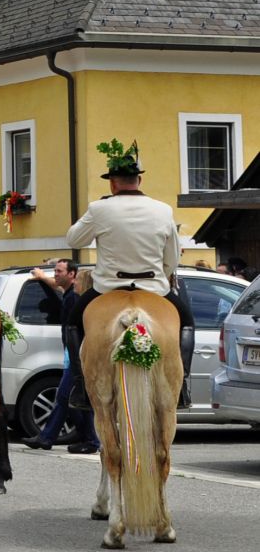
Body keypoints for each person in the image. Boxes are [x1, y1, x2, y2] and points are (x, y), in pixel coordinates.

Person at [65, 139, 192, 409]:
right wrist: (161, 275)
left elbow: (74, 240)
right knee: (188, 322)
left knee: (72, 324)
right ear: (138, 180)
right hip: (154, 287)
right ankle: (182, 387)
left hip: (108, 288)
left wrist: (96, 214)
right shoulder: (163, 209)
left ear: (112, 182)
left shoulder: (100, 209)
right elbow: (172, 258)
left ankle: (80, 386)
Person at [23, 259, 99, 452]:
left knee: (66, 396)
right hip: (72, 355)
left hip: (76, 357)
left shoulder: (75, 299)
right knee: (74, 400)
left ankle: (48, 437)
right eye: (55, 271)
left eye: (59, 271)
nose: (55, 275)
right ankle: (88, 438)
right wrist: (41, 277)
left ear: (73, 276)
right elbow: (57, 287)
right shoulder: (71, 295)